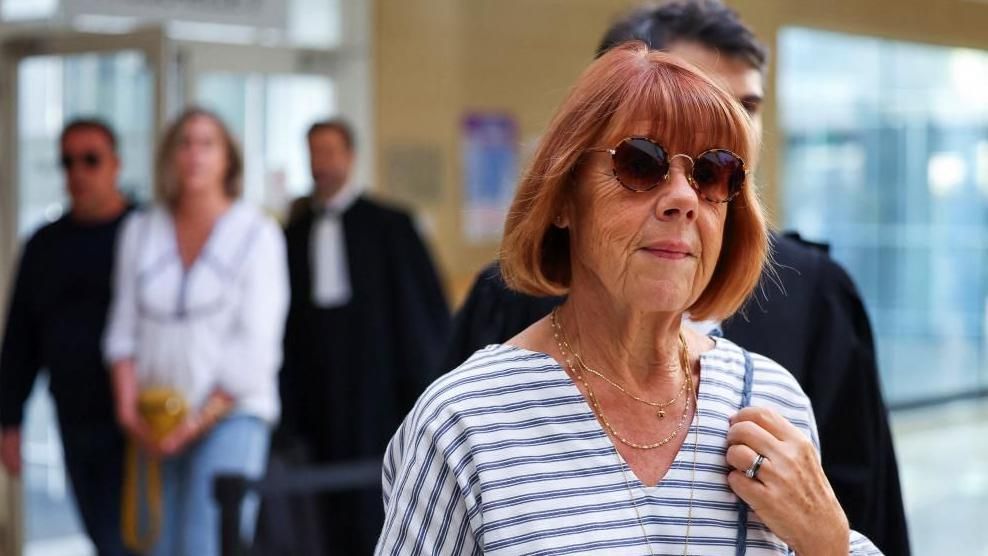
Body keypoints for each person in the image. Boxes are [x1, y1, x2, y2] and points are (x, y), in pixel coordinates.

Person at [378, 43, 882, 555]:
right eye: (642, 164)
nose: (684, 198)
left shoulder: (772, 402)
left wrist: (828, 541)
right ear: (563, 199)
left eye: (713, 173)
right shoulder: (465, 421)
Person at [103, 108, 289, 556]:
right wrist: (129, 409)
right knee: (155, 544)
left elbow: (256, 345)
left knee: (205, 543)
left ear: (228, 159)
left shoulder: (257, 233)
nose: (194, 155)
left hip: (231, 412)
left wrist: (192, 424)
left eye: (207, 144)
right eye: (184, 143)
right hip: (153, 416)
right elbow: (123, 328)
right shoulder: (140, 229)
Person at [279, 119, 450, 553]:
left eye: (331, 152)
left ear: (350, 157)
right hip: (316, 386)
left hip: (377, 384)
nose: (322, 163)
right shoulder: (292, 235)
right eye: (315, 153)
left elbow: (420, 314)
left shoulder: (390, 226)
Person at [0, 119, 134, 556]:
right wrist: (10, 420)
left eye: (91, 160)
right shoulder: (45, 243)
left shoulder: (143, 232)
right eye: (68, 161)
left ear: (115, 164)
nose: (78, 172)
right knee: (102, 534)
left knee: (131, 538)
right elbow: (21, 338)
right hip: (75, 415)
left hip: (136, 421)